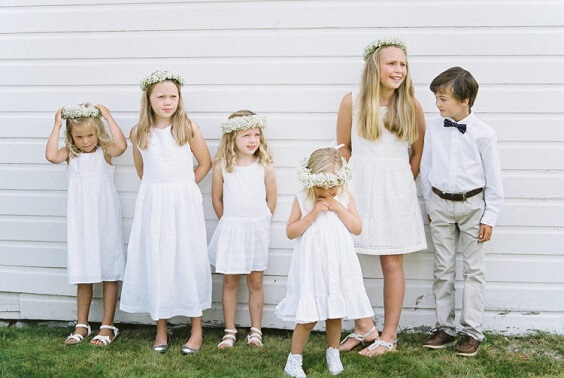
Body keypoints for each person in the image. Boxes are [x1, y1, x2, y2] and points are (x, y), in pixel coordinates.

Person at [336, 37, 427, 357]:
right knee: (346, 255)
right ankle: (363, 326)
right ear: (375, 67)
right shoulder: (353, 101)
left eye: (403, 64)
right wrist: (347, 184)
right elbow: (343, 146)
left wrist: (403, 181)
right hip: (359, 186)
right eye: (392, 63)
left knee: (391, 260)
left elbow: (418, 152)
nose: (398, 69)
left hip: (396, 189)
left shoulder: (411, 104)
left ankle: (388, 336)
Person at [119, 70, 212, 354]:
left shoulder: (187, 127)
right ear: (149, 99)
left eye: (173, 96)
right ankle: (161, 327)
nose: (168, 101)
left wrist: (183, 186)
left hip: (183, 203)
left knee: (188, 257)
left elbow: (205, 162)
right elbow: (141, 169)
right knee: (157, 259)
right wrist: (159, 190)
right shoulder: (139, 132)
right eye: (161, 96)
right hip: (153, 203)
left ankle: (196, 328)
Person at [420, 67, 503, 357]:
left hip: (472, 208)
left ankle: (472, 332)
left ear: (464, 99)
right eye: (436, 98)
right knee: (442, 268)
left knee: (474, 271)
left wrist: (489, 217)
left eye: (443, 98)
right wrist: (430, 206)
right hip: (440, 206)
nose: (438, 104)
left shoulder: (484, 134)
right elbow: (426, 168)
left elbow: (494, 179)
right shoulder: (434, 127)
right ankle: (445, 327)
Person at [275, 148, 374, 377]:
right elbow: (291, 231)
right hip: (312, 265)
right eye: (323, 186)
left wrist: (339, 207)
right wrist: (312, 214)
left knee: (334, 313)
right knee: (308, 317)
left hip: (338, 264)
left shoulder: (345, 196)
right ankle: (294, 359)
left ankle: (333, 352)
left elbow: (357, 228)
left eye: (333, 186)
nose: (328, 191)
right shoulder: (303, 199)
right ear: (311, 180)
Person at [45, 103, 127, 346]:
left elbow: (121, 146)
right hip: (82, 220)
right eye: (79, 136)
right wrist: (57, 124)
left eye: (90, 135)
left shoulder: (105, 152)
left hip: (105, 218)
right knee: (84, 269)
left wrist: (109, 116)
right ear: (71, 136)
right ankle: (82, 323)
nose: (85, 141)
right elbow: (51, 156)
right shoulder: (71, 155)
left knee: (109, 268)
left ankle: (107, 325)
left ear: (98, 133)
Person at [208, 110, 277, 349]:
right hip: (232, 229)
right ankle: (229, 330)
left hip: (257, 228)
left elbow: (271, 198)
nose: (252, 140)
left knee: (256, 281)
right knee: (230, 280)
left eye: (256, 134)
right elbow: (216, 198)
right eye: (246, 135)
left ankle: (255, 330)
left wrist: (263, 219)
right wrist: (229, 221)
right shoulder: (223, 166)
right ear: (232, 138)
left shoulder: (264, 166)